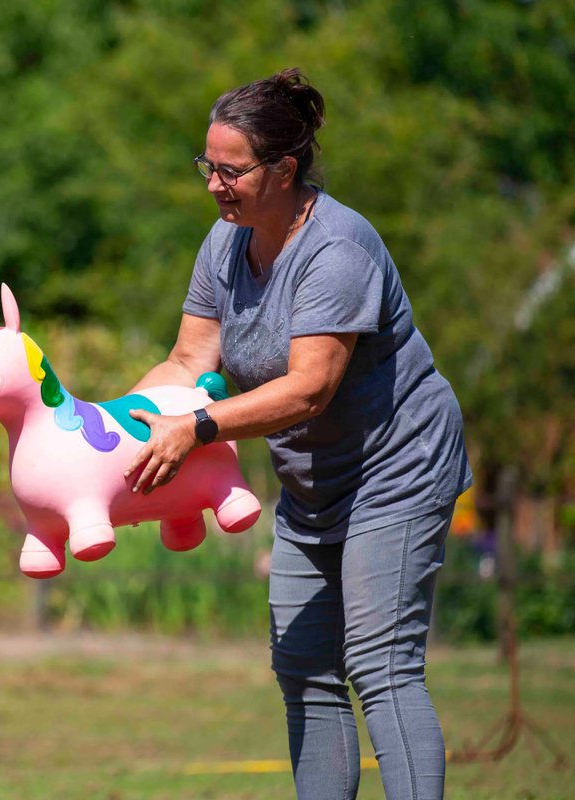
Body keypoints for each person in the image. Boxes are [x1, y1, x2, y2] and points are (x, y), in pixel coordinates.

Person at [123, 68, 472, 800]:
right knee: (305, 668)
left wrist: (199, 425)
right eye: (207, 167)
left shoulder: (337, 250)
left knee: (381, 664)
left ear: (284, 168)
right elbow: (190, 359)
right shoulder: (225, 244)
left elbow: (311, 387)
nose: (214, 185)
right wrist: (112, 422)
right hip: (313, 482)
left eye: (230, 170)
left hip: (397, 467)